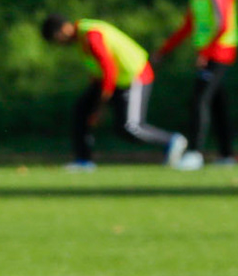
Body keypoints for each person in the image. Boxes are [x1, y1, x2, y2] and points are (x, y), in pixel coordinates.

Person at [40, 14, 188, 170]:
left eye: (57, 38)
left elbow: (109, 69)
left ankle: (172, 140)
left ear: (63, 29)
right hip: (117, 80)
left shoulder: (91, 35)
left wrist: (100, 106)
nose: (60, 43)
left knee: (130, 127)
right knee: (81, 110)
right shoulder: (82, 37)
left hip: (134, 77)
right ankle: (83, 161)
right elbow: (97, 69)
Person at [154, 0, 238, 168]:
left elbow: (222, 24)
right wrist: (163, 50)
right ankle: (226, 155)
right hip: (213, 53)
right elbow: (187, 26)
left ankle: (194, 153)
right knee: (218, 104)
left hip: (218, 53)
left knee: (199, 101)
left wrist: (205, 53)